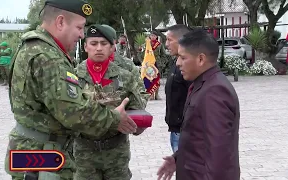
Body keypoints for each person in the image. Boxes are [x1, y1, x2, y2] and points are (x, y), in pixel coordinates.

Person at [4, 1, 137, 180]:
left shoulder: (32, 46)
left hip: (33, 151)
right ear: (60, 22)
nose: (82, 34)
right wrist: (114, 117)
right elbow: (73, 112)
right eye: (79, 27)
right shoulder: (47, 56)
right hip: (42, 156)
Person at [157, 28, 240, 180]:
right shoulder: (202, 83)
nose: (178, 63)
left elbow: (219, 155)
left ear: (201, 59)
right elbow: (198, 138)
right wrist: (178, 159)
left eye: (183, 58)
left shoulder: (215, 91)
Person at [73, 24, 149, 180]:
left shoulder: (125, 77)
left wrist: (133, 123)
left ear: (112, 47)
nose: (99, 48)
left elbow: (138, 106)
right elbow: (68, 112)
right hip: (83, 153)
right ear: (85, 46)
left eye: (104, 43)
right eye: (94, 44)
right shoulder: (73, 77)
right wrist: (112, 117)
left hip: (116, 152)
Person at [164, 24, 191, 153]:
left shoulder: (189, 66)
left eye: (169, 40)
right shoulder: (176, 63)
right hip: (175, 130)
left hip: (186, 133)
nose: (166, 44)